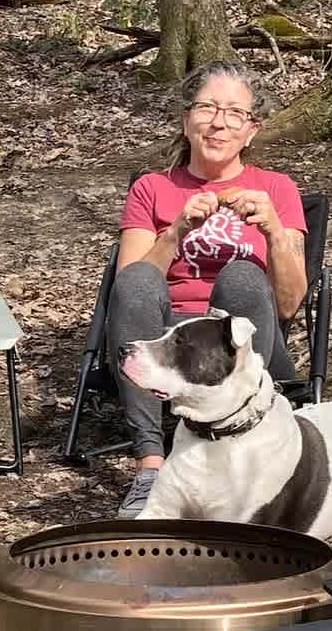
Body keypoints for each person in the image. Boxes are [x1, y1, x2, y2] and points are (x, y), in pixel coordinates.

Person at [108, 59, 307, 515]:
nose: (219, 123)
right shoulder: (152, 188)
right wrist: (175, 231)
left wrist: (274, 230)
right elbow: (130, 285)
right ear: (186, 120)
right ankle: (150, 465)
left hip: (240, 335)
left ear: (251, 131)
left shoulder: (276, 189)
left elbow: (289, 303)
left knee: (241, 274)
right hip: (166, 330)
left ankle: (241, 453)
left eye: (235, 113)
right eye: (207, 108)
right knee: (137, 276)